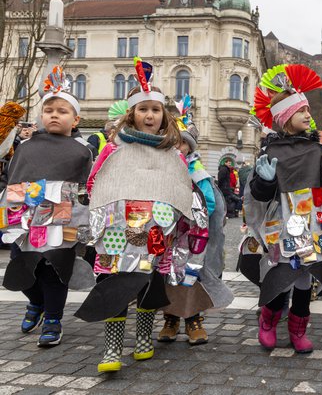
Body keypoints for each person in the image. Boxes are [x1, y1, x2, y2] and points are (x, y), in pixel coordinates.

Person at [73, 57, 203, 372]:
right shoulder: (113, 149)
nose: (149, 114)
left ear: (163, 116)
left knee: (149, 282)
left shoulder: (172, 154)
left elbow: (180, 186)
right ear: (132, 114)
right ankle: (112, 347)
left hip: (157, 230)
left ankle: (143, 337)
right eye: (143, 109)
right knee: (116, 283)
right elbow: (96, 182)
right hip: (119, 229)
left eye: (155, 109)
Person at [241, 64, 322, 354]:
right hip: (280, 225)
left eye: (308, 109)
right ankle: (269, 321)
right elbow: (259, 194)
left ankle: (298, 328)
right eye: (301, 111)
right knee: (280, 275)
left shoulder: (317, 150)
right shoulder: (271, 151)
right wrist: (266, 181)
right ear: (284, 119)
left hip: (312, 224)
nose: (309, 115)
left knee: (306, 278)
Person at [1, 67, 94, 347]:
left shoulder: (81, 151)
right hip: (26, 219)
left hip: (62, 221)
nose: (55, 114)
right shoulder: (27, 147)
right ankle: (36, 303)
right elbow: (13, 180)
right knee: (23, 269)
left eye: (62, 111)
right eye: (49, 109)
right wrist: (7, 218)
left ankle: (53, 318)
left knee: (55, 271)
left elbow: (85, 188)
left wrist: (84, 224)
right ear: (42, 115)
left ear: (75, 119)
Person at [157, 96, 233, 345]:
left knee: (192, 276)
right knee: (168, 276)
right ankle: (170, 319)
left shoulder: (197, 172)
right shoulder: (162, 170)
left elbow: (209, 203)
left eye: (182, 144)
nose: (178, 148)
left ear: (189, 148)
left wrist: (190, 215)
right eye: (173, 143)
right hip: (168, 235)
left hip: (192, 238)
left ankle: (193, 320)